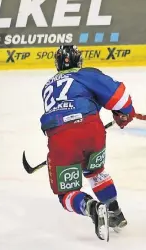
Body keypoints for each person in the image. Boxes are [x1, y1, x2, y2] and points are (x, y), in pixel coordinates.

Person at [40, 45, 135, 240]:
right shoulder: (86, 74)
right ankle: (115, 212)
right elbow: (120, 98)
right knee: (95, 171)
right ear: (79, 61)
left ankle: (91, 207)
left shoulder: (47, 86)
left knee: (66, 194)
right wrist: (124, 114)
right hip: (92, 131)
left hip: (60, 136)